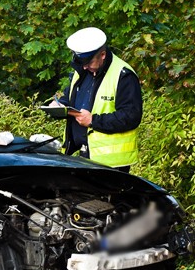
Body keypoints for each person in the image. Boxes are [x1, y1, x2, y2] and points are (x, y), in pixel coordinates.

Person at [53, 27, 142, 171]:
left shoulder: (123, 75)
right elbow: (69, 98)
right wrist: (58, 105)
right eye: (82, 64)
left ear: (103, 55)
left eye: (89, 63)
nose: (86, 67)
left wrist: (93, 121)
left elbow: (131, 116)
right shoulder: (83, 71)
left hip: (111, 164)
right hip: (80, 155)